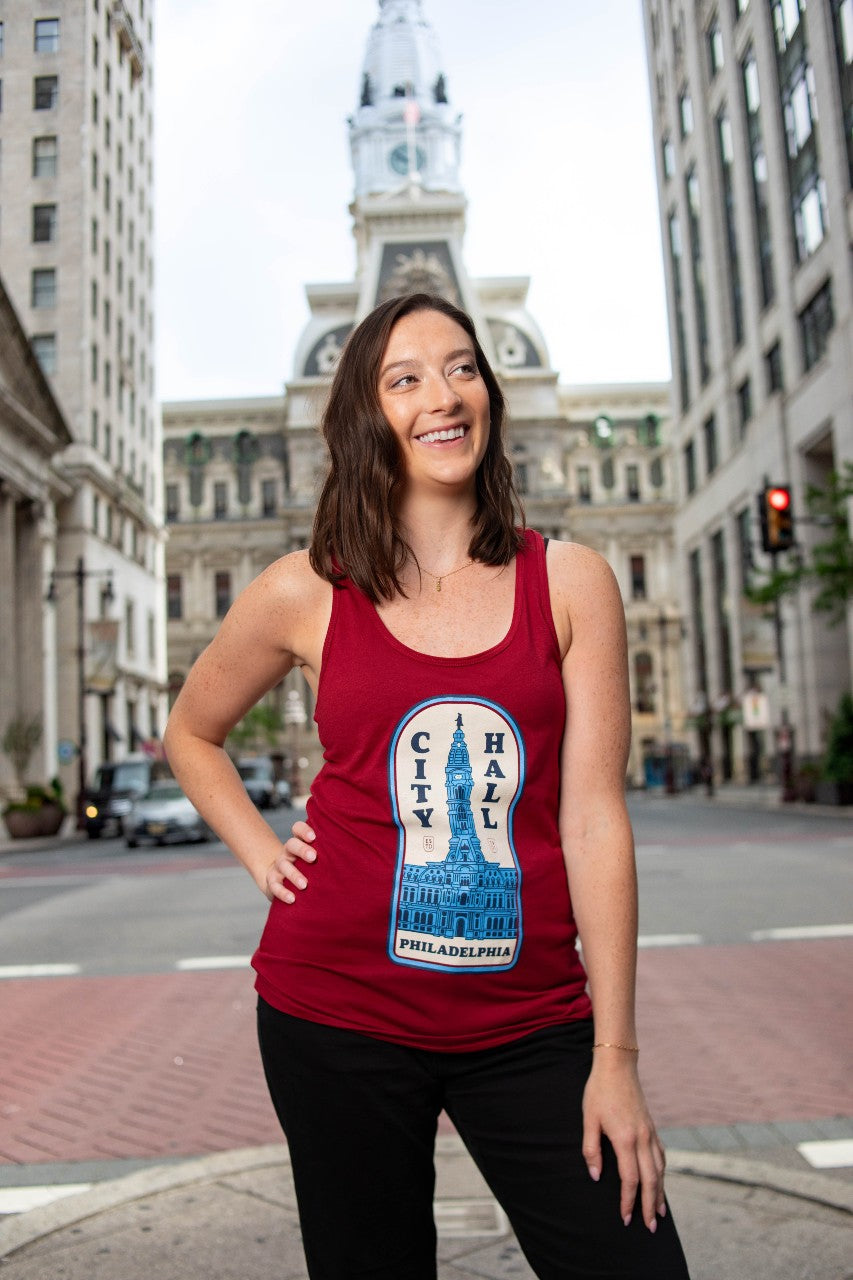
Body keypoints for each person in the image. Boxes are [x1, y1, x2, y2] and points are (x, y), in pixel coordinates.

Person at [164, 293, 691, 1280]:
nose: (441, 395)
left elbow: (592, 817)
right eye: (403, 378)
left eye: (460, 367)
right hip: (334, 1012)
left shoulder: (570, 580)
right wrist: (262, 851)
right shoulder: (304, 588)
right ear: (369, 416)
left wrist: (613, 1058)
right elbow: (193, 730)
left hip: (531, 1022)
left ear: (488, 393)